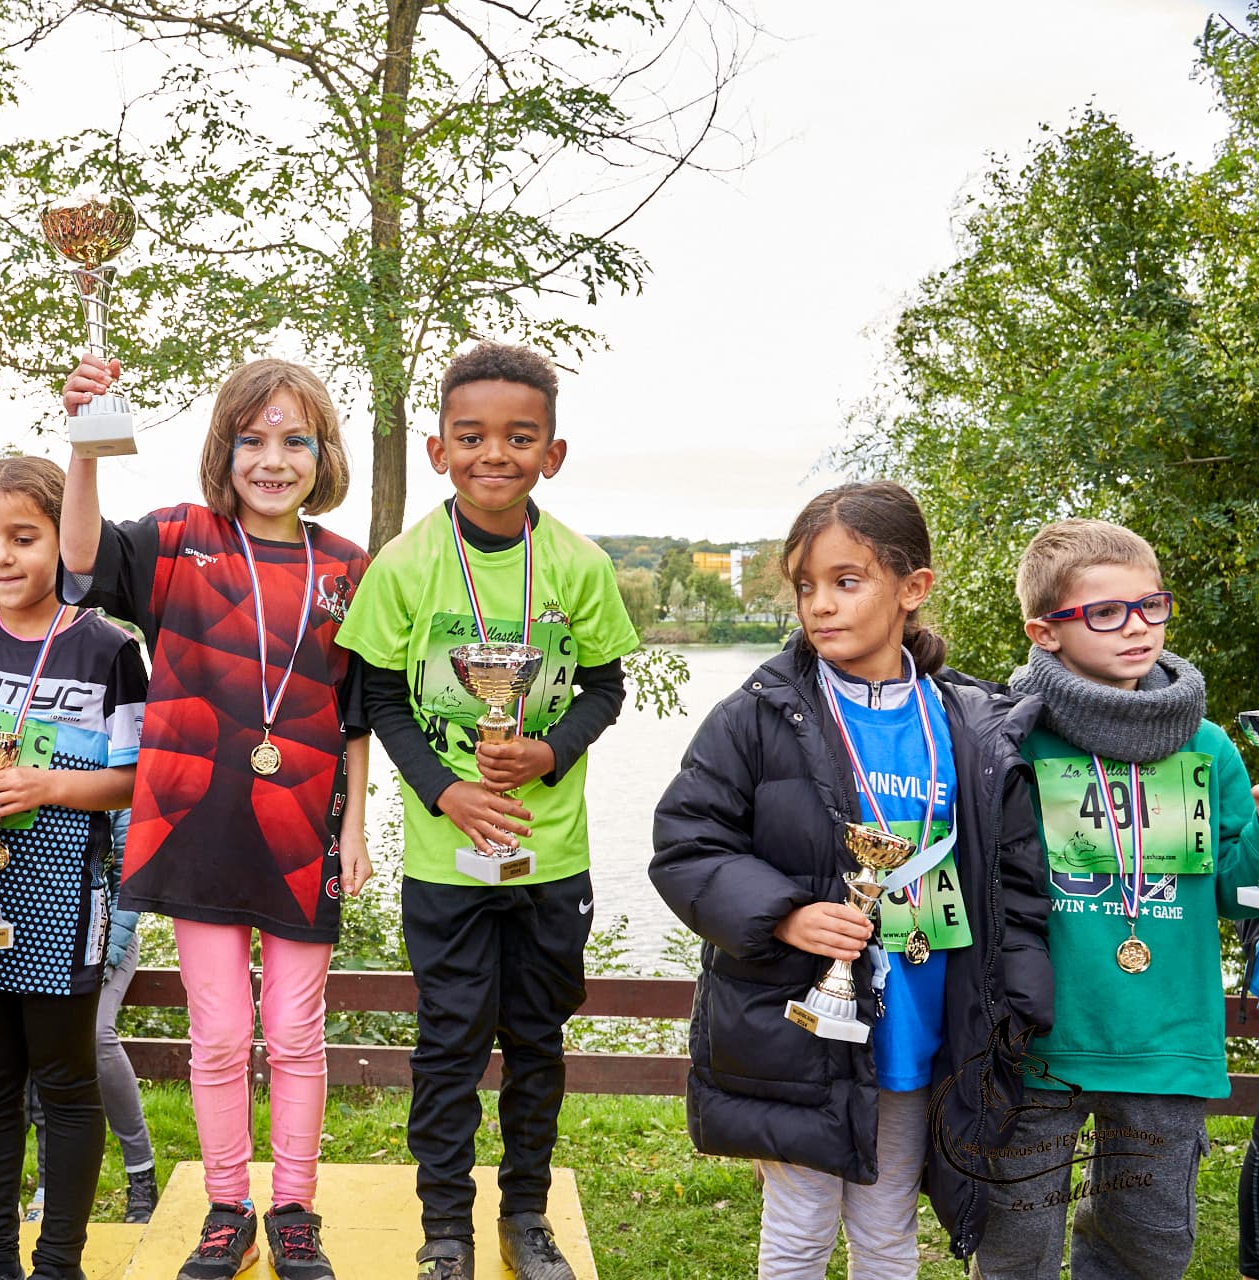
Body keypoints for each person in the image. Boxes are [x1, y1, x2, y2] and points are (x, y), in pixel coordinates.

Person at [650, 480, 1054, 1279]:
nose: (821, 606)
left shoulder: (971, 724)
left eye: (846, 581)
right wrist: (787, 914)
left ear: (913, 589)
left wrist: (1013, 1004)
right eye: (806, 586)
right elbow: (687, 845)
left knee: (887, 1232)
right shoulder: (756, 716)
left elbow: (1017, 881)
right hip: (798, 1029)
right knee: (799, 1231)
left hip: (920, 1031)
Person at [60, 355, 373, 1280]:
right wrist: (82, 445)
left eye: (294, 442)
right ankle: (229, 1206)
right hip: (194, 821)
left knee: (296, 1030)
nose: (272, 460)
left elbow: (356, 710)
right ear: (224, 450)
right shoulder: (175, 538)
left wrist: (353, 831)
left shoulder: (348, 566)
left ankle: (295, 1209)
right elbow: (78, 565)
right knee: (222, 1031)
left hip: (300, 829)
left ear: (322, 455)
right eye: (253, 440)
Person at [337, 342, 635, 1280]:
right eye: (471, 436)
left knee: (537, 1043)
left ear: (552, 452)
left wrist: (549, 751)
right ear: (437, 449)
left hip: (549, 858)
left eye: (518, 436)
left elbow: (604, 688)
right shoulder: (405, 564)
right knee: (451, 1043)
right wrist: (447, 790)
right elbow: (378, 700)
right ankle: (446, 1228)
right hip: (443, 858)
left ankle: (527, 1217)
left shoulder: (580, 566)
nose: (492, 454)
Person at [971, 518, 1259, 1279]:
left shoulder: (1209, 746)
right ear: (1046, 632)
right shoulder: (1011, 739)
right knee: (1014, 1249)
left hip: (1165, 1041)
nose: (1137, 627)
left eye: (1151, 606)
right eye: (1105, 612)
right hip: (1038, 1042)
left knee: (1148, 1249)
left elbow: (1241, 894)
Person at [0, 456, 148, 1280]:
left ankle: (59, 1265)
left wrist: (48, 786)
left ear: (59, 539)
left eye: (23, 537)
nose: (1, 557)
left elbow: (135, 779)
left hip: (62, 889)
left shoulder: (109, 650)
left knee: (67, 1084)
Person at [0, 808, 161, 1226]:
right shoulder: (0, 756)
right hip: (10, 933)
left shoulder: (101, 759)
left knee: (93, 1039)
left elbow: (130, 871)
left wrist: (105, 954)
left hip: (96, 936)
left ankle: (141, 1173)